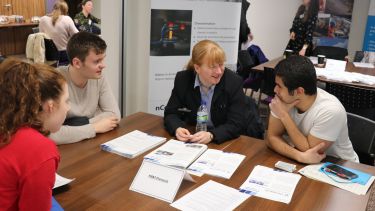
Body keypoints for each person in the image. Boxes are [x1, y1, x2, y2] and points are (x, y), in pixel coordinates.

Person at [0, 58, 69, 210]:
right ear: (50, 106)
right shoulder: (40, 150)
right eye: (66, 101)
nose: (68, 108)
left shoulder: (7, 126)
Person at [164, 40, 263, 144]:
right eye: (213, 67)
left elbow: (236, 124)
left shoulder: (233, 82)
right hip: (196, 137)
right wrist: (177, 129)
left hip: (225, 139)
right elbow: (171, 113)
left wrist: (212, 135)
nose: (219, 71)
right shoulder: (183, 79)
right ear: (197, 68)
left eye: (221, 65)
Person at [266, 55, 359, 164]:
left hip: (340, 165)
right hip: (305, 163)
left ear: (299, 91)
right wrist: (299, 156)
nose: (275, 90)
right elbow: (271, 138)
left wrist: (283, 115)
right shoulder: (283, 99)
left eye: (279, 86)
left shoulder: (331, 110)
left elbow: (310, 150)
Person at [49, 31, 120, 145]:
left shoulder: (98, 77)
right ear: (77, 63)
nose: (103, 65)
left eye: (103, 59)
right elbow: (50, 134)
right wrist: (94, 127)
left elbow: (114, 115)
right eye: (97, 61)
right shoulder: (55, 81)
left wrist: (71, 127)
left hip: (87, 144)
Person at [39, 1, 78, 65]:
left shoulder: (43, 19)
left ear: (53, 8)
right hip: (64, 54)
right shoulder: (67, 19)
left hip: (48, 54)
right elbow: (77, 36)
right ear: (66, 10)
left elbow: (41, 36)